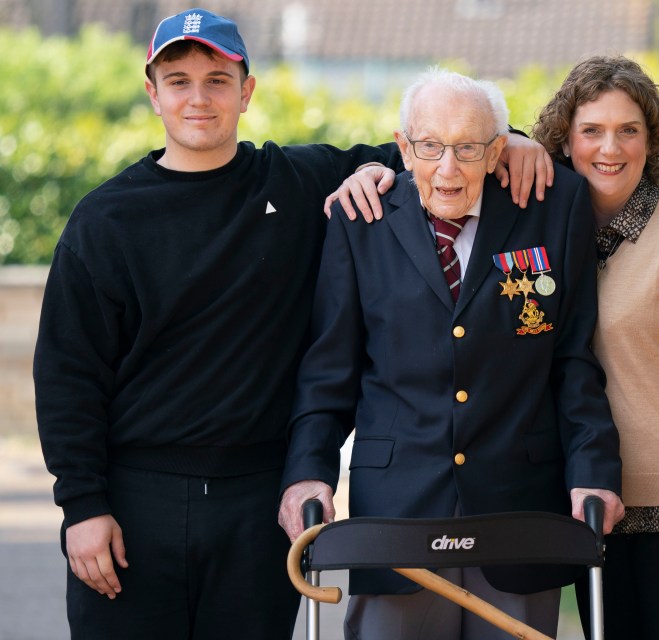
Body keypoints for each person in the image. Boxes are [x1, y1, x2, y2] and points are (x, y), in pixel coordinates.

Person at [32, 8, 551, 639]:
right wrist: (82, 506)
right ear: (153, 93)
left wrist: (516, 139)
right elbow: (67, 376)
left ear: (246, 92)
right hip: (137, 499)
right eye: (179, 81)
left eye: (218, 80)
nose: (199, 98)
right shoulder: (104, 220)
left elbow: (438, 144)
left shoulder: (300, 179)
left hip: (259, 499)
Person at [330, 54, 659, 638]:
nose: (611, 148)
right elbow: (445, 149)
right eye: (591, 131)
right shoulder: (546, 211)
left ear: (654, 139)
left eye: (629, 130)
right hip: (596, 507)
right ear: (563, 142)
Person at [277, 67, 624, 640]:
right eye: (430, 146)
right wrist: (306, 473)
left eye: (467, 148)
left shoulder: (553, 204)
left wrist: (594, 471)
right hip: (395, 513)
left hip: (518, 508)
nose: (447, 168)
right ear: (403, 148)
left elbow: (572, 358)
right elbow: (329, 370)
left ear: (497, 150)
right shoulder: (361, 219)